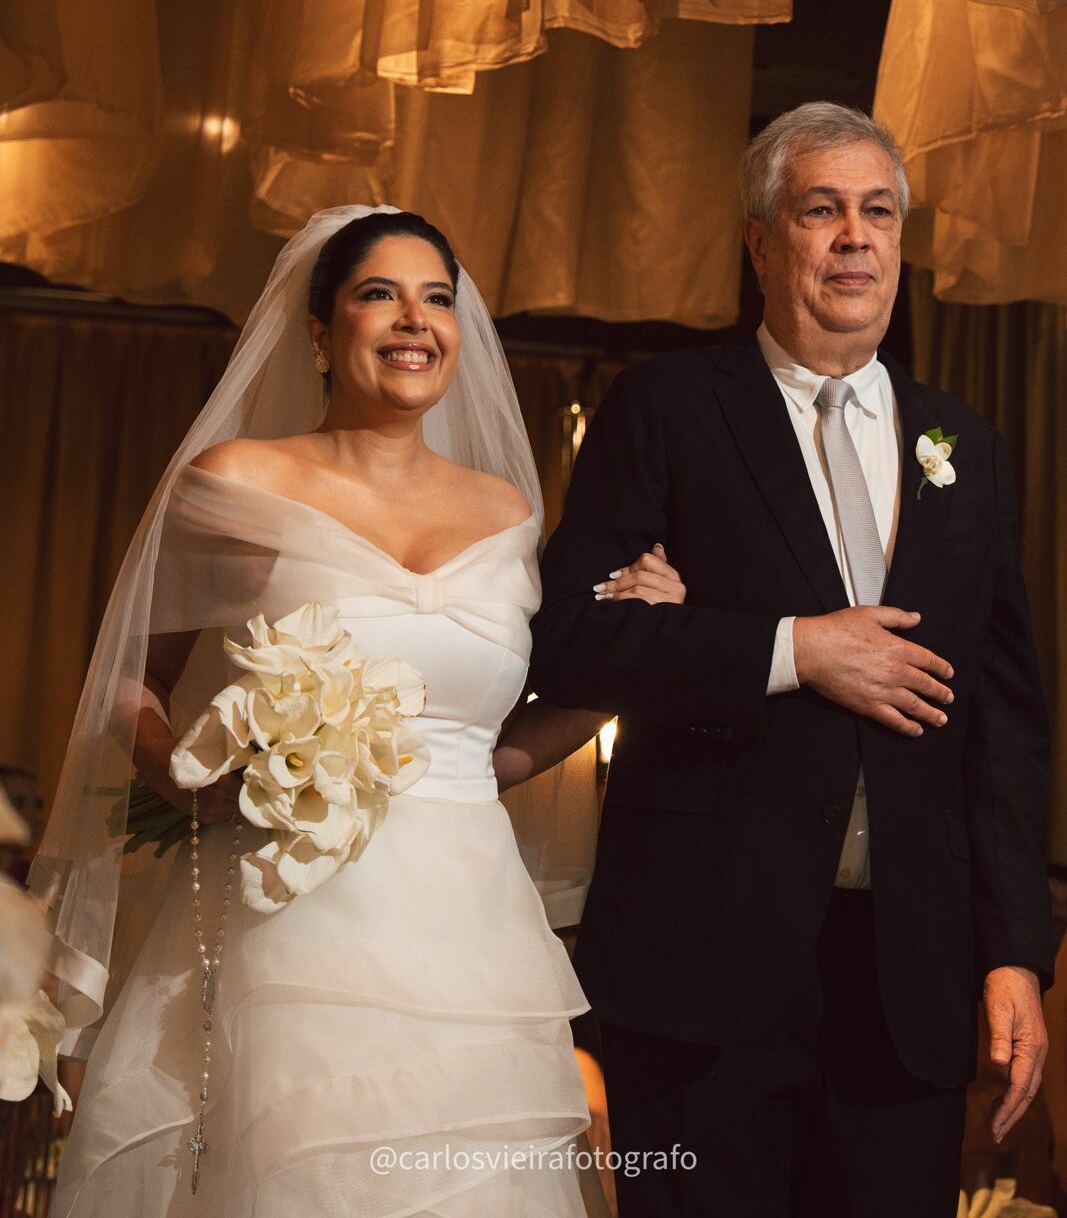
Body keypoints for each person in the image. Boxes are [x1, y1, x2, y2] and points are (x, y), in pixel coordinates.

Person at [34, 206, 614, 1217]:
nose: (413, 319)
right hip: (289, 918)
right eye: (377, 293)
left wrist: (633, 630)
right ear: (317, 330)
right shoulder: (240, 480)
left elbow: (501, 726)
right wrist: (175, 768)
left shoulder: (508, 514)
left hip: (468, 930)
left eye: (437, 297)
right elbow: (135, 672)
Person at [530, 104, 1055, 1218]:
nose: (852, 238)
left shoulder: (962, 443)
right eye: (820, 211)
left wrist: (1015, 953)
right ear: (761, 242)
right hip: (697, 963)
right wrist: (789, 650)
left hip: (903, 979)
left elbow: (1002, 726)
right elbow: (570, 638)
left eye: (876, 213)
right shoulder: (667, 407)